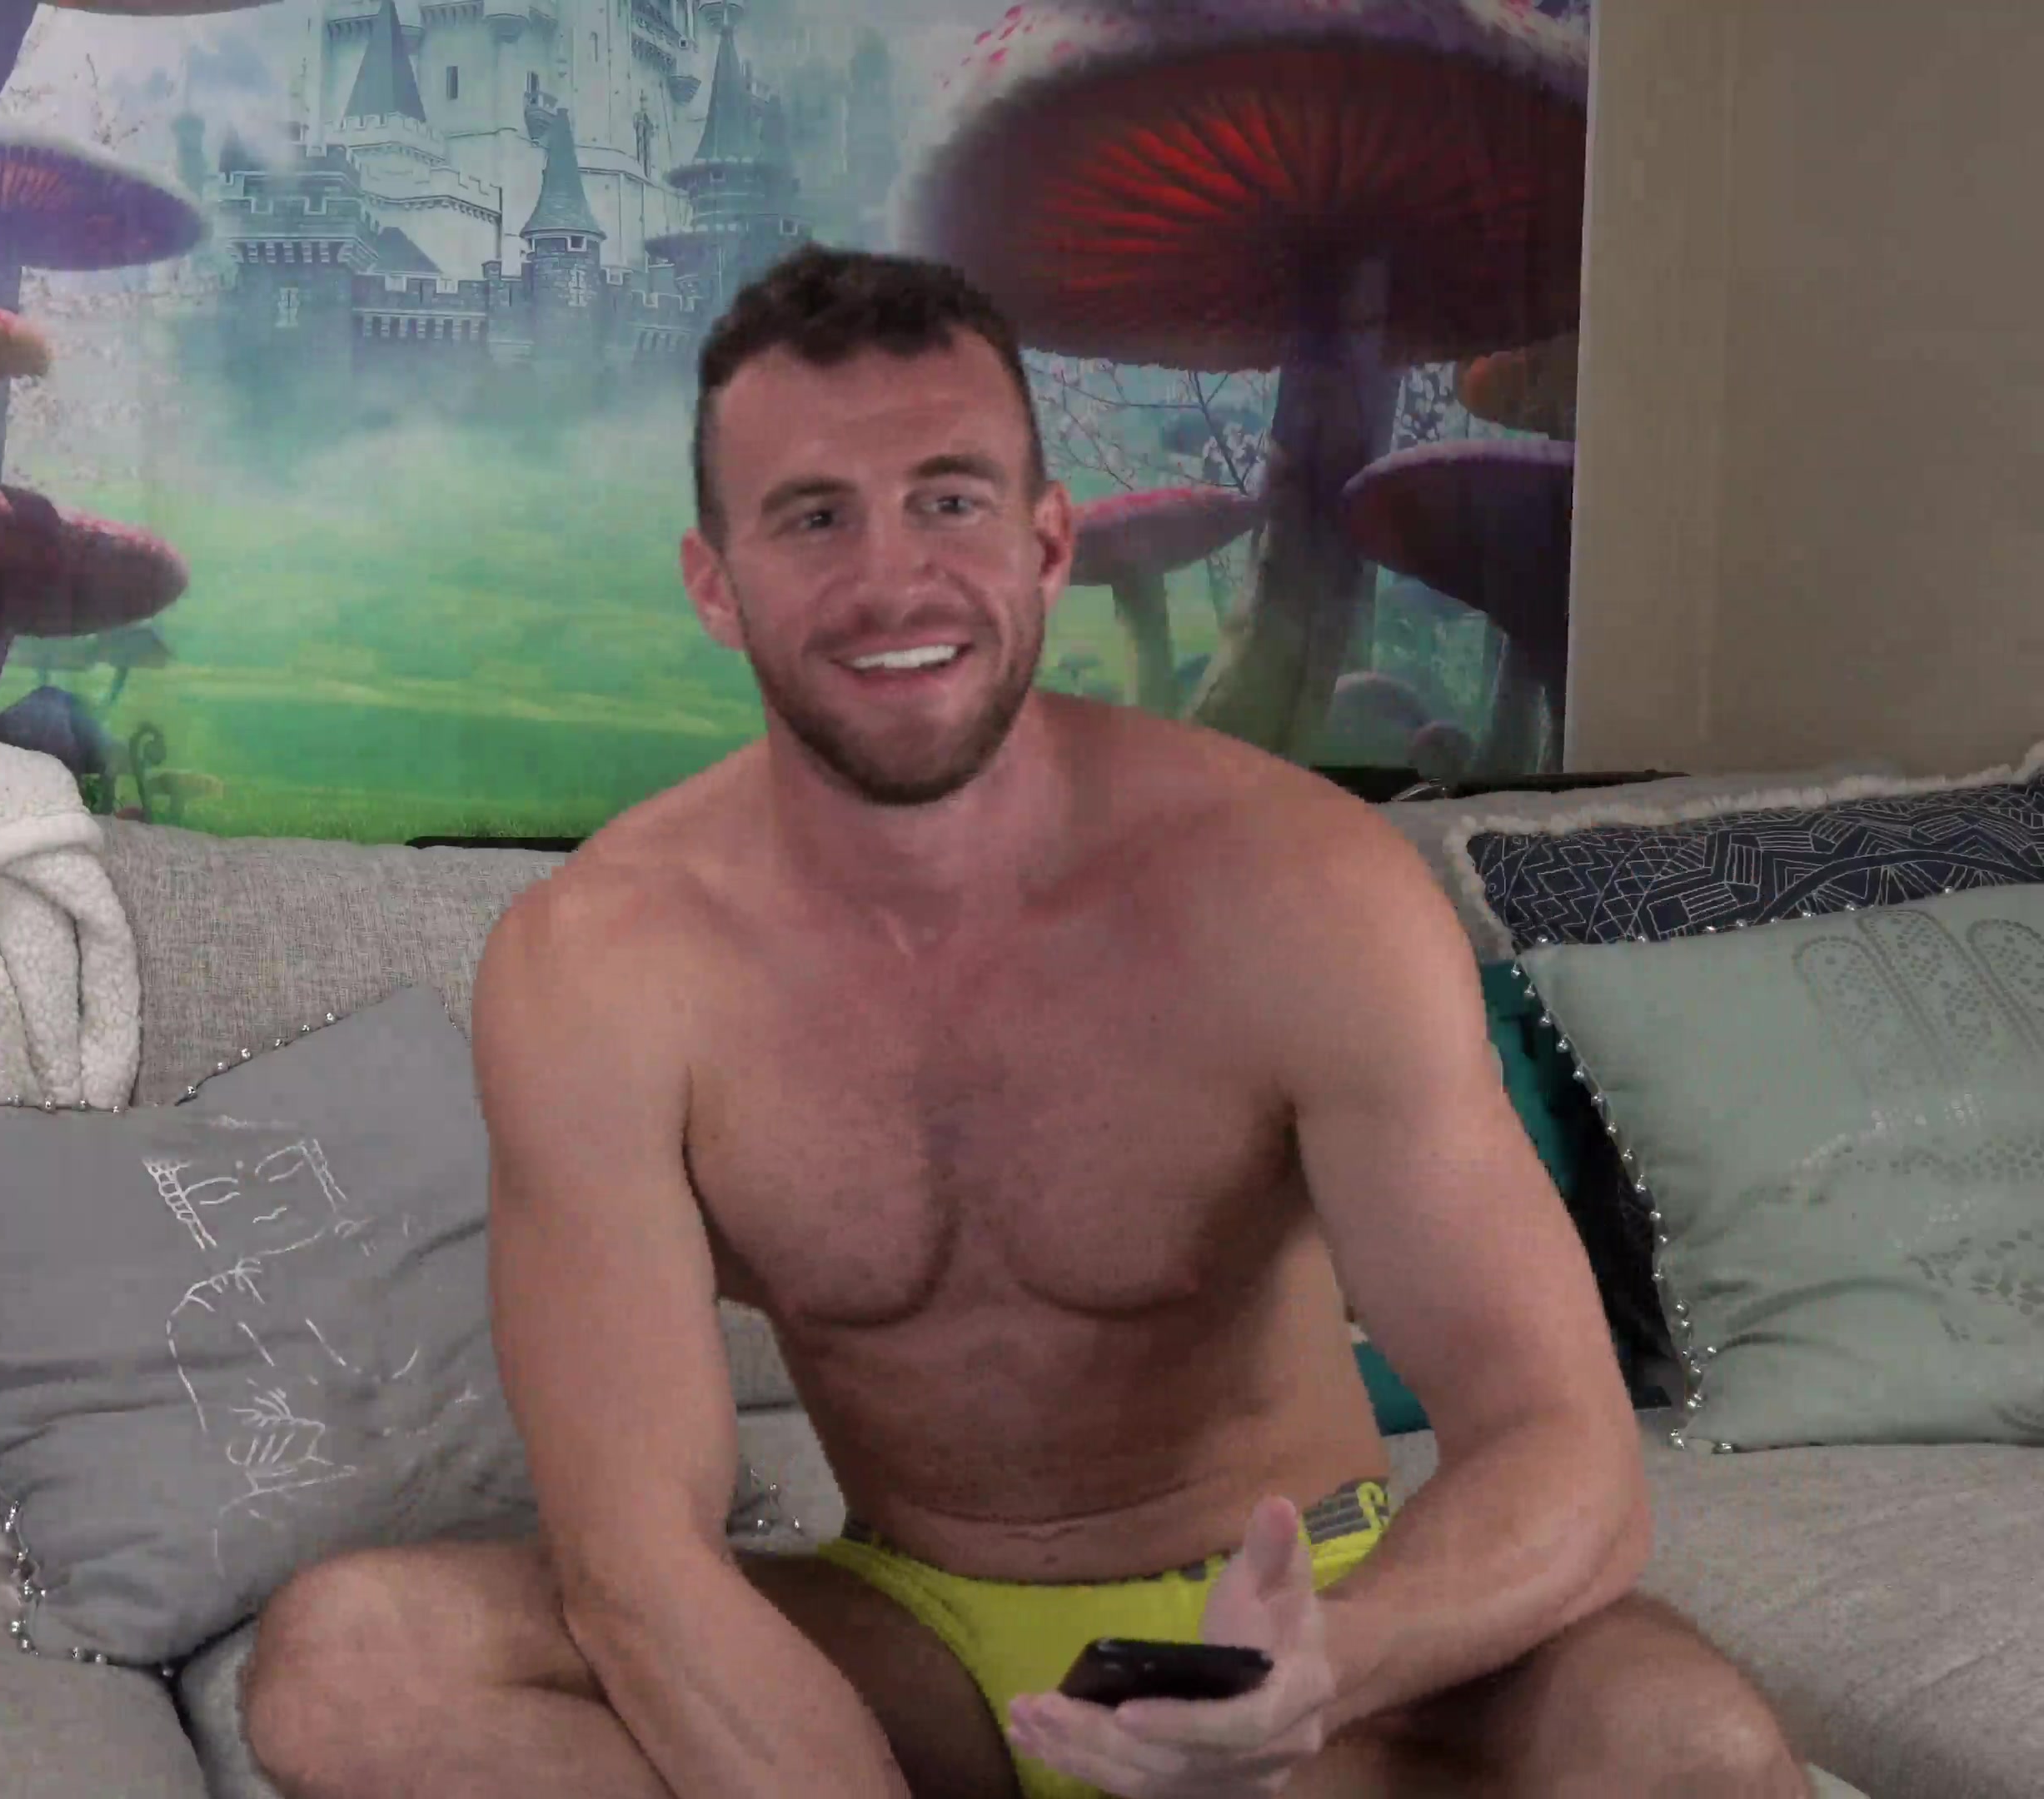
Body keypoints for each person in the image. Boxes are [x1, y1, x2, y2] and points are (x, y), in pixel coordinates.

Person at [236, 248, 1807, 1799]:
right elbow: (635, 1562)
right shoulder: (600, 962)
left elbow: (1561, 1446)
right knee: (350, 1668)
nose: (891, 579)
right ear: (716, 583)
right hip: (919, 1639)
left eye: (949, 499)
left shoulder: (1300, 889)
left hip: (1299, 1628)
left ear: (1046, 542)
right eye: (813, 517)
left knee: (1692, 1753)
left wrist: (1331, 1666)